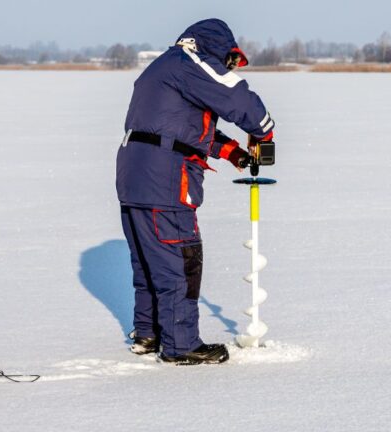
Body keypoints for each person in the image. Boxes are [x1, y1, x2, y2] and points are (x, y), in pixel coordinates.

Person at [116, 18, 275, 365]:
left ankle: (148, 333)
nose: (228, 66)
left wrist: (230, 150)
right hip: (165, 179)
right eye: (229, 59)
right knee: (181, 259)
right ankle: (181, 344)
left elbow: (179, 126)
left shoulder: (164, 66)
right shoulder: (192, 61)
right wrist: (264, 132)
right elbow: (238, 100)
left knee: (148, 261)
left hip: (135, 174)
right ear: (215, 47)